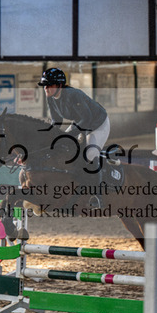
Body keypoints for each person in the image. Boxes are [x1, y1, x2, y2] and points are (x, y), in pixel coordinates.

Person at [39, 67, 110, 208]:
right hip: (80, 122)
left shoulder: (73, 95)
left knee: (89, 154)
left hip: (98, 124)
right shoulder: (51, 98)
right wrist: (48, 136)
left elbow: (87, 119)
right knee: (63, 146)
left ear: (59, 85)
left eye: (49, 85)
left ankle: (97, 195)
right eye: (44, 85)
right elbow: (57, 121)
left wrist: (68, 136)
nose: (45, 88)